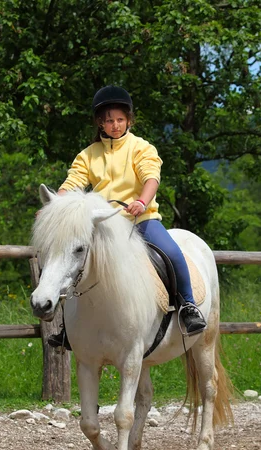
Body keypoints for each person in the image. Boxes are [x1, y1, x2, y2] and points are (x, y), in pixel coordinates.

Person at [48, 85, 206, 350]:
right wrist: (55, 204)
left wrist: (142, 201)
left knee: (171, 252)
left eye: (120, 119)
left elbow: (151, 177)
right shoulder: (88, 155)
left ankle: (188, 306)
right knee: (74, 265)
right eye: (109, 120)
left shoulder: (141, 148)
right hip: (104, 225)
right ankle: (69, 327)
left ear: (129, 120)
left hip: (141, 219)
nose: (115, 125)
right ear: (100, 122)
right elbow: (72, 182)